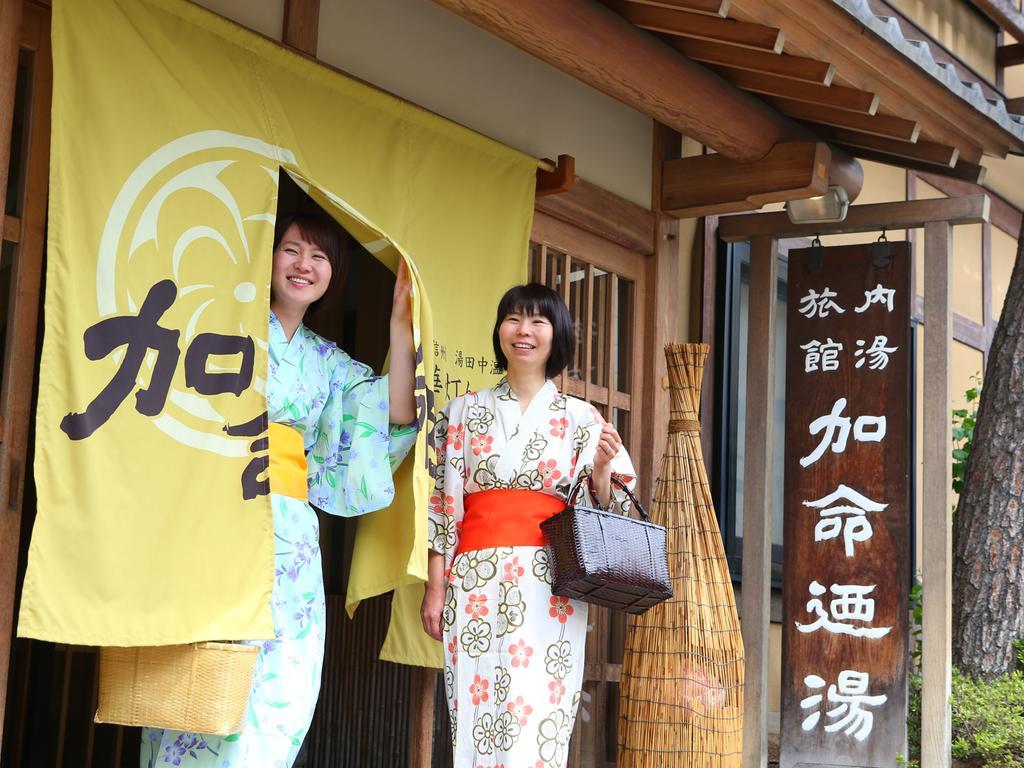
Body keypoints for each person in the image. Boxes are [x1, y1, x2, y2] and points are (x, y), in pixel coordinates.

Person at [142, 212, 417, 767]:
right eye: (291, 250)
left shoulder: (327, 360)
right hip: (216, 510)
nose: (303, 266)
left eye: (318, 257)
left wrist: (400, 320)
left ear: (332, 274)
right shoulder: (221, 325)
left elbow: (393, 413)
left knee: (279, 681)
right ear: (267, 256)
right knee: (200, 667)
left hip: (288, 534)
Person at [421, 283, 636, 768]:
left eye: (538, 321)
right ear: (499, 330)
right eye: (514, 318)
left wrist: (601, 469)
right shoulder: (462, 411)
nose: (524, 330)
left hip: (549, 581)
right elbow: (442, 505)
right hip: (473, 578)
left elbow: (609, 509)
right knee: (475, 706)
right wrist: (436, 587)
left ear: (556, 335)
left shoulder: (582, 419)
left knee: (539, 704)